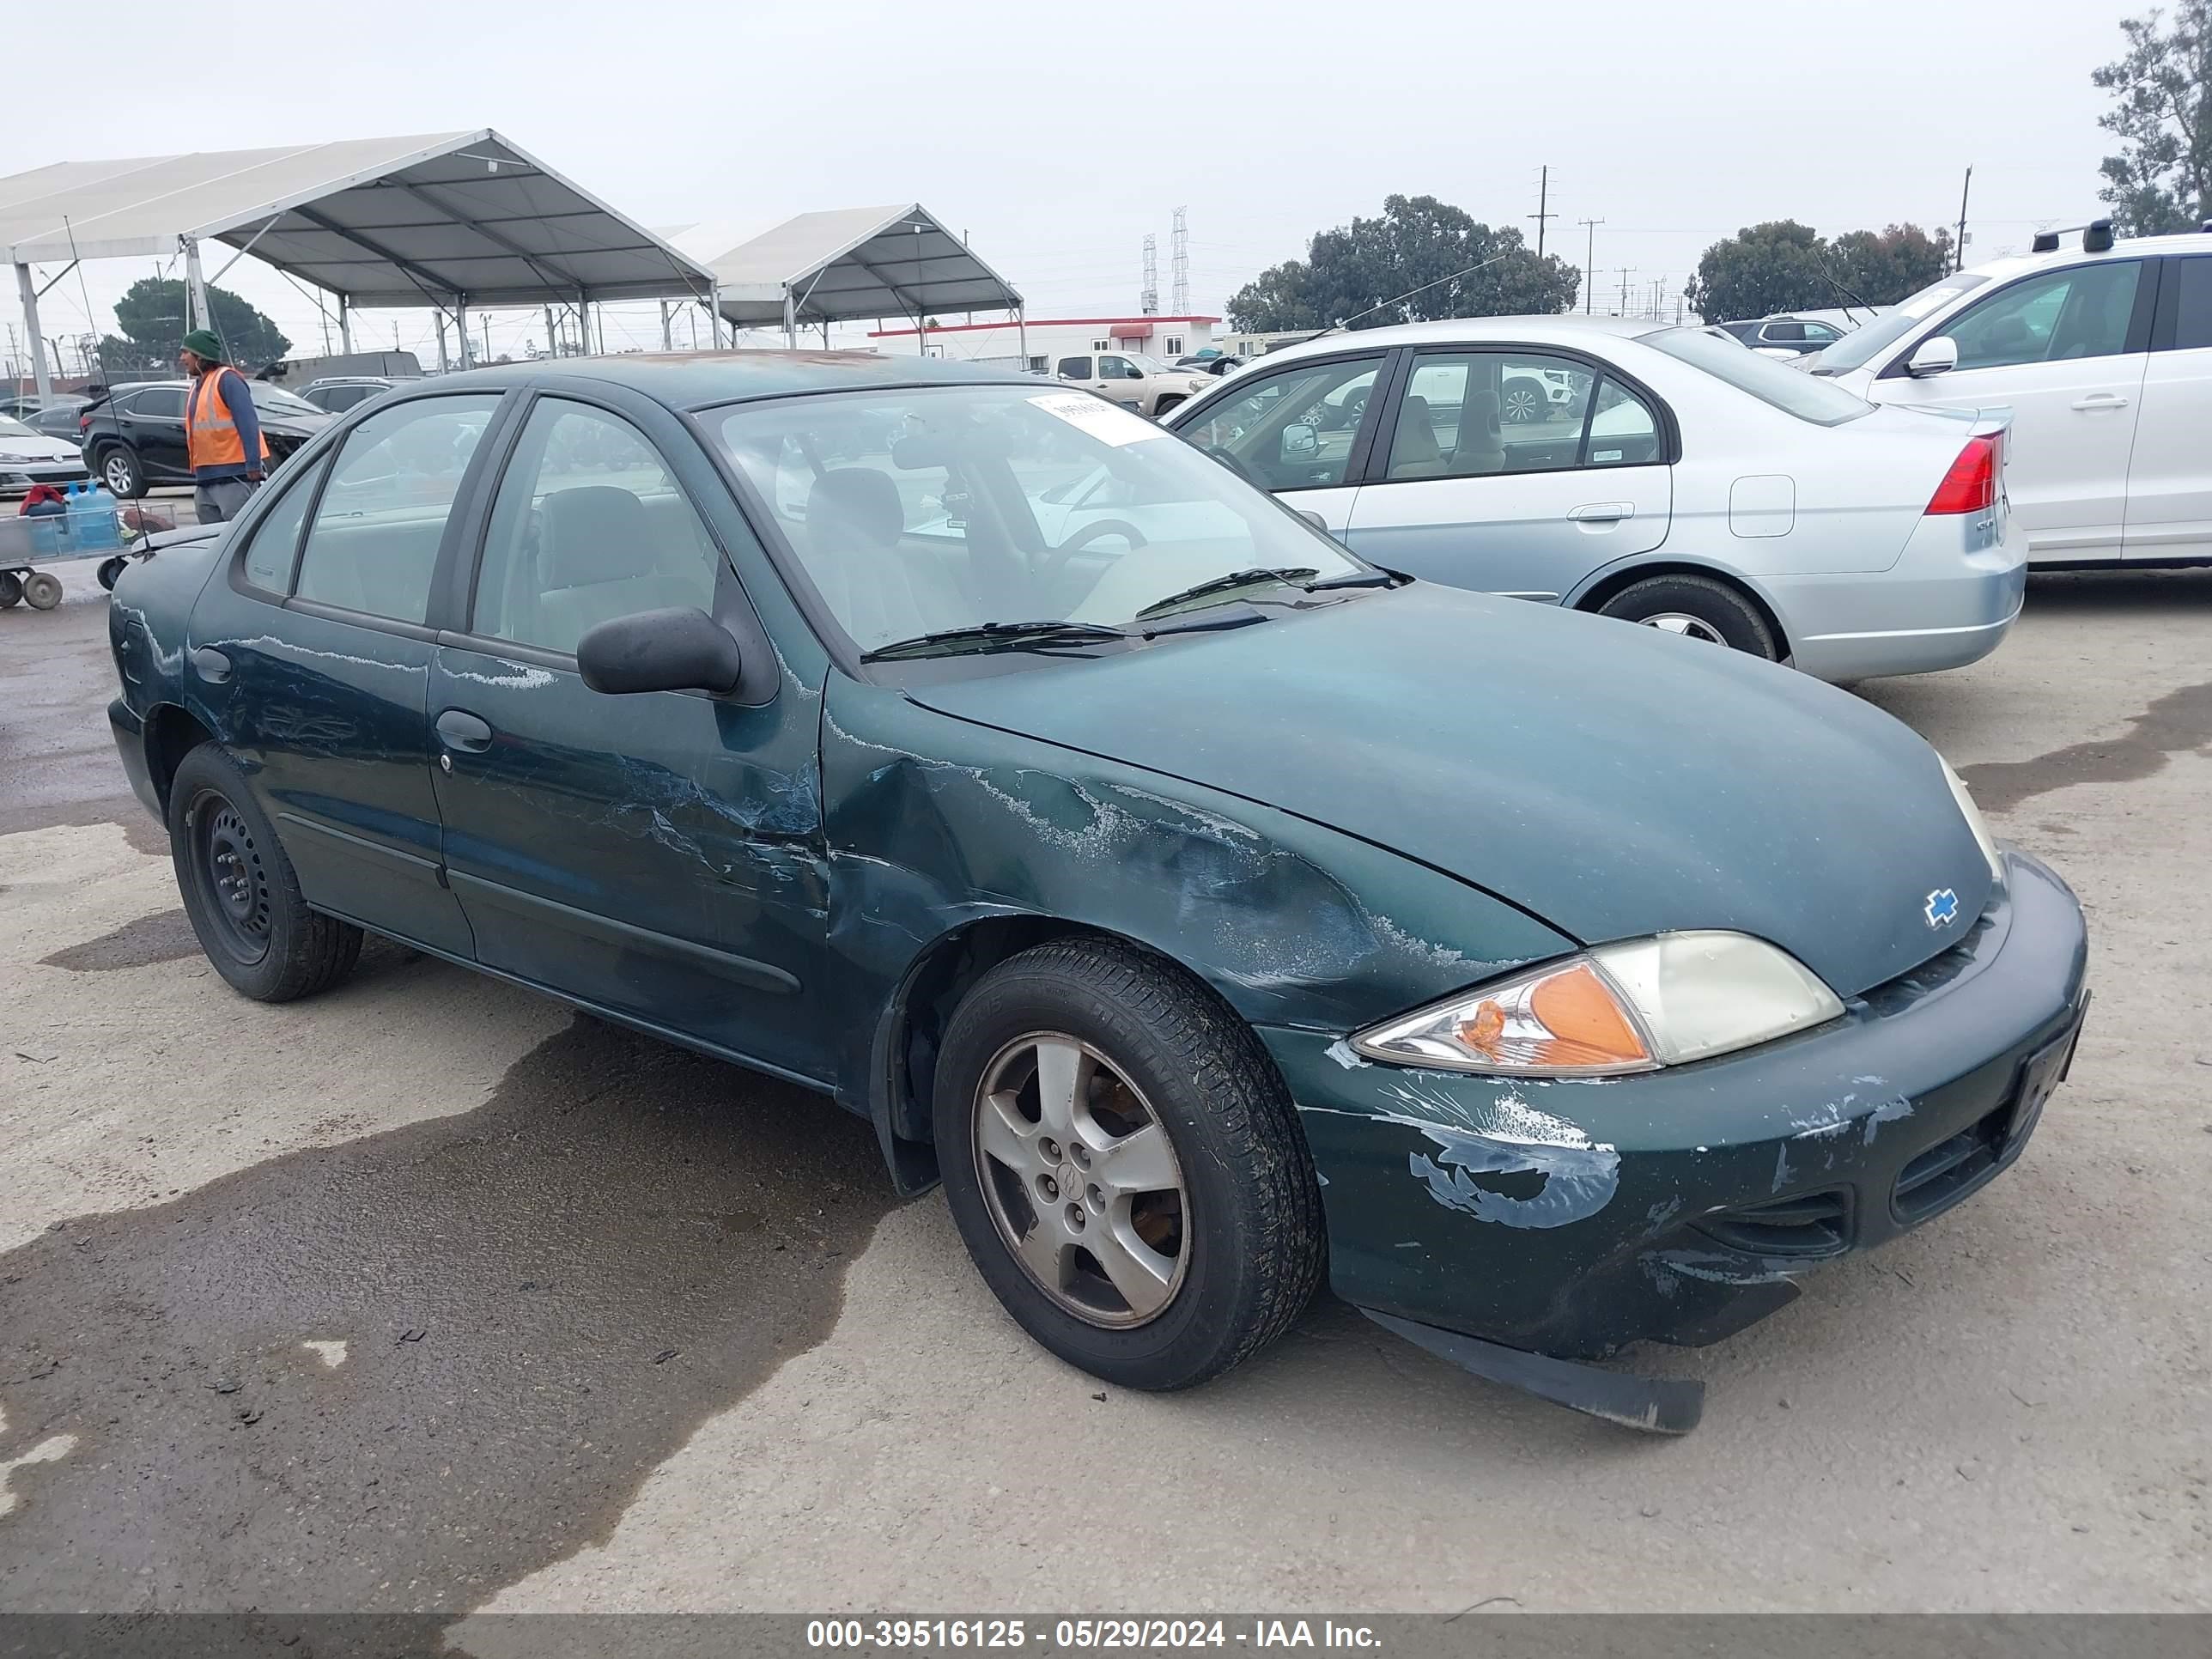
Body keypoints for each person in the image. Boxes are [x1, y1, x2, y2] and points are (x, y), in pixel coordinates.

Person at [178, 328, 268, 523]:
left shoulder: (228, 380)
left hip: (234, 475)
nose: (181, 358)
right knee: (210, 538)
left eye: (185, 352)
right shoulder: (197, 385)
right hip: (206, 477)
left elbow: (248, 423)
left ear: (200, 356)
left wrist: (252, 464)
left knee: (238, 533)